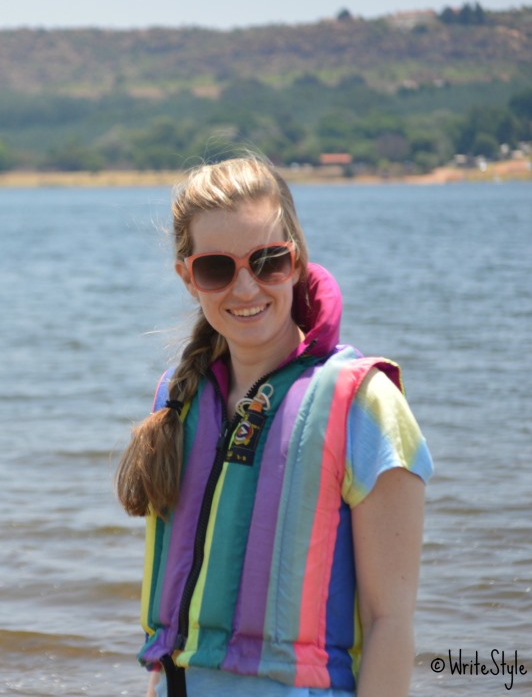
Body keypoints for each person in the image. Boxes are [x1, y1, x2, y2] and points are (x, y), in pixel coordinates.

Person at [115, 156, 432, 697]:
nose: (245, 288)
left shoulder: (364, 404)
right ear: (188, 277)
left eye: (267, 261)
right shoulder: (178, 397)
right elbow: (172, 638)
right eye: (217, 268)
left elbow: (390, 623)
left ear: (297, 261)